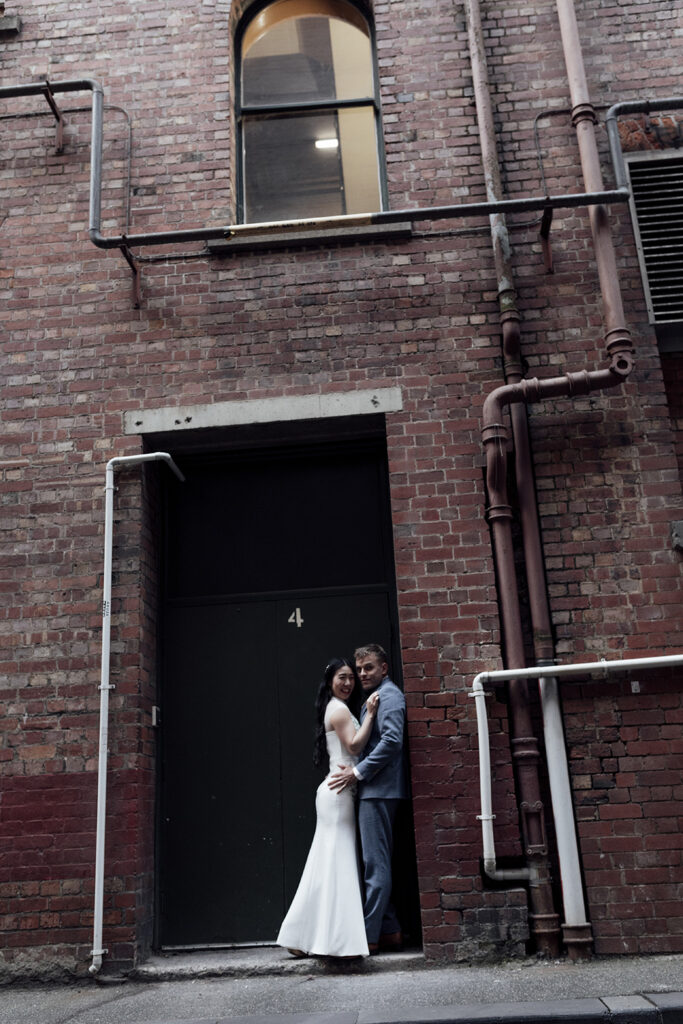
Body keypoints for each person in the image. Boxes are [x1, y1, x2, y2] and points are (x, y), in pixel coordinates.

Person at [276, 657, 379, 959]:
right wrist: (371, 714)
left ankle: (303, 936)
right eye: (342, 677)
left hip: (337, 791)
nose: (348, 683)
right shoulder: (339, 709)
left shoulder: (333, 707)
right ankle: (334, 942)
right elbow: (356, 746)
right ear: (330, 681)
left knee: (325, 865)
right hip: (338, 795)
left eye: (350, 677)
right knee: (337, 863)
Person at [329, 643, 408, 954]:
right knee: (377, 864)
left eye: (369, 668)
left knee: (375, 866)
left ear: (384, 668)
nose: (362, 674)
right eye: (359, 669)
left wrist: (357, 773)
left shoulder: (389, 695)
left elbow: (391, 741)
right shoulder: (377, 697)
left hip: (379, 790)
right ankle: (390, 932)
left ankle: (367, 937)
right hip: (378, 790)